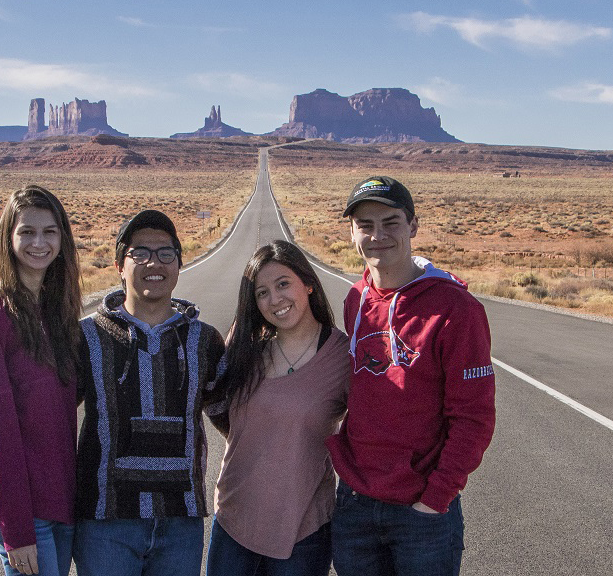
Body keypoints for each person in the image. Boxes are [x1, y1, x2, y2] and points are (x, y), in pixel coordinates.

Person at [326, 176, 496, 576]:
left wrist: (435, 498)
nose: (377, 236)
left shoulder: (455, 308)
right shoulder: (356, 299)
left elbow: (473, 416)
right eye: (365, 225)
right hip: (355, 502)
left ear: (413, 226)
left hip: (422, 513)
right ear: (352, 232)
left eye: (391, 223)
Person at [73, 209, 227, 576]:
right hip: (106, 521)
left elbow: (235, 420)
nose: (153, 263)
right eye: (139, 253)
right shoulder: (86, 337)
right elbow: (48, 418)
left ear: (178, 264)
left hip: (181, 520)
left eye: (165, 253)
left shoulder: (204, 340)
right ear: (119, 265)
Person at [206, 240, 350, 576]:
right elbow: (216, 405)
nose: (275, 300)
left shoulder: (342, 357)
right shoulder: (246, 348)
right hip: (234, 520)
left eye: (283, 284)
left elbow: (368, 431)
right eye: (262, 293)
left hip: (303, 531)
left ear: (308, 283)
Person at [0, 185, 83, 576]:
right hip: (22, 509)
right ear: (8, 237)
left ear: (62, 238)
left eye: (49, 232)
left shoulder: (55, 309)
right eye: (27, 232)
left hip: (59, 498)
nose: (39, 243)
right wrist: (16, 530)